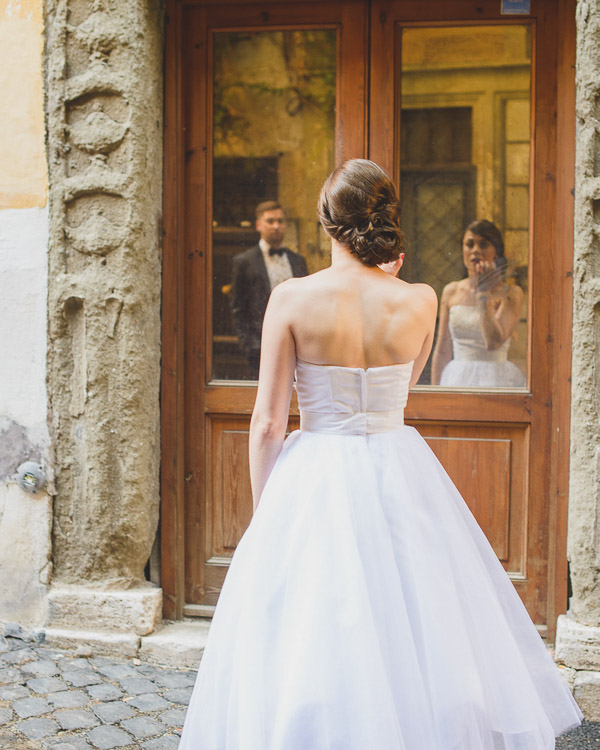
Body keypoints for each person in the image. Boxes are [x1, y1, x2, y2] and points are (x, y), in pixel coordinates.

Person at [179, 160, 581, 750]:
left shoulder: (292, 298)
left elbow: (267, 422)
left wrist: (268, 513)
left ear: (326, 223)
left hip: (316, 465)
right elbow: (407, 381)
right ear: (383, 223)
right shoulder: (420, 299)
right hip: (398, 463)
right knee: (417, 618)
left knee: (313, 627)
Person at [431, 219, 526, 387]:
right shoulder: (451, 291)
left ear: (496, 251)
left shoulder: (511, 294)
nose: (475, 250)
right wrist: (434, 393)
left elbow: (493, 343)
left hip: (496, 380)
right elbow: (443, 349)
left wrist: (484, 295)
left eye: (483, 245)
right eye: (470, 244)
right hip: (457, 378)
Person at [231, 201, 308, 378]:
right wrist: (249, 345)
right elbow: (238, 308)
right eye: (270, 221)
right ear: (258, 224)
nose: (276, 226)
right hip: (260, 348)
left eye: (280, 221)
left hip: (298, 347)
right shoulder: (244, 262)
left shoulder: (297, 260)